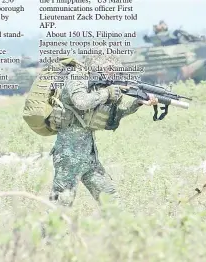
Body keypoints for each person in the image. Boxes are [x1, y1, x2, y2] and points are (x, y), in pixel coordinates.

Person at [48, 54, 159, 207]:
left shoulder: (99, 87)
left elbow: (114, 114)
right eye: (108, 68)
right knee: (59, 206)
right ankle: (44, 232)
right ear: (95, 65)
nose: (112, 72)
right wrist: (107, 93)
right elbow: (81, 102)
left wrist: (137, 103)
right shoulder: (76, 77)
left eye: (114, 69)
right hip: (69, 155)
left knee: (111, 201)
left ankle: (123, 230)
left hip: (89, 157)